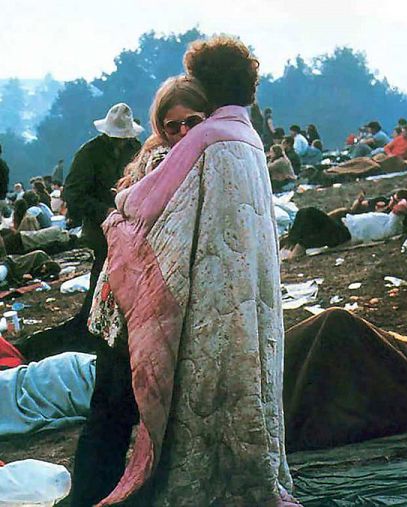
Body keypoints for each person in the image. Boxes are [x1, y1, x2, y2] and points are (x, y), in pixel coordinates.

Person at [95, 36, 297, 506]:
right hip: (252, 285)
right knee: (251, 380)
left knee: (206, 394)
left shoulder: (208, 136)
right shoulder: (249, 136)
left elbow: (143, 203)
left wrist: (121, 199)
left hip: (212, 290)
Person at [69, 75, 210, 507]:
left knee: (135, 404)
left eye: (193, 123)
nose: (184, 133)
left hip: (148, 293)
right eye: (173, 126)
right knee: (112, 402)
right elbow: (77, 198)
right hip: (121, 285)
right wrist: (110, 216)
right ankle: (90, 494)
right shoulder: (145, 161)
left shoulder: (151, 154)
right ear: (159, 127)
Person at [62, 103, 142, 322]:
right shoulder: (89, 154)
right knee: (103, 272)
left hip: (130, 223)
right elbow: (73, 193)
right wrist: (104, 210)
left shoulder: (135, 148)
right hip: (100, 226)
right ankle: (93, 319)